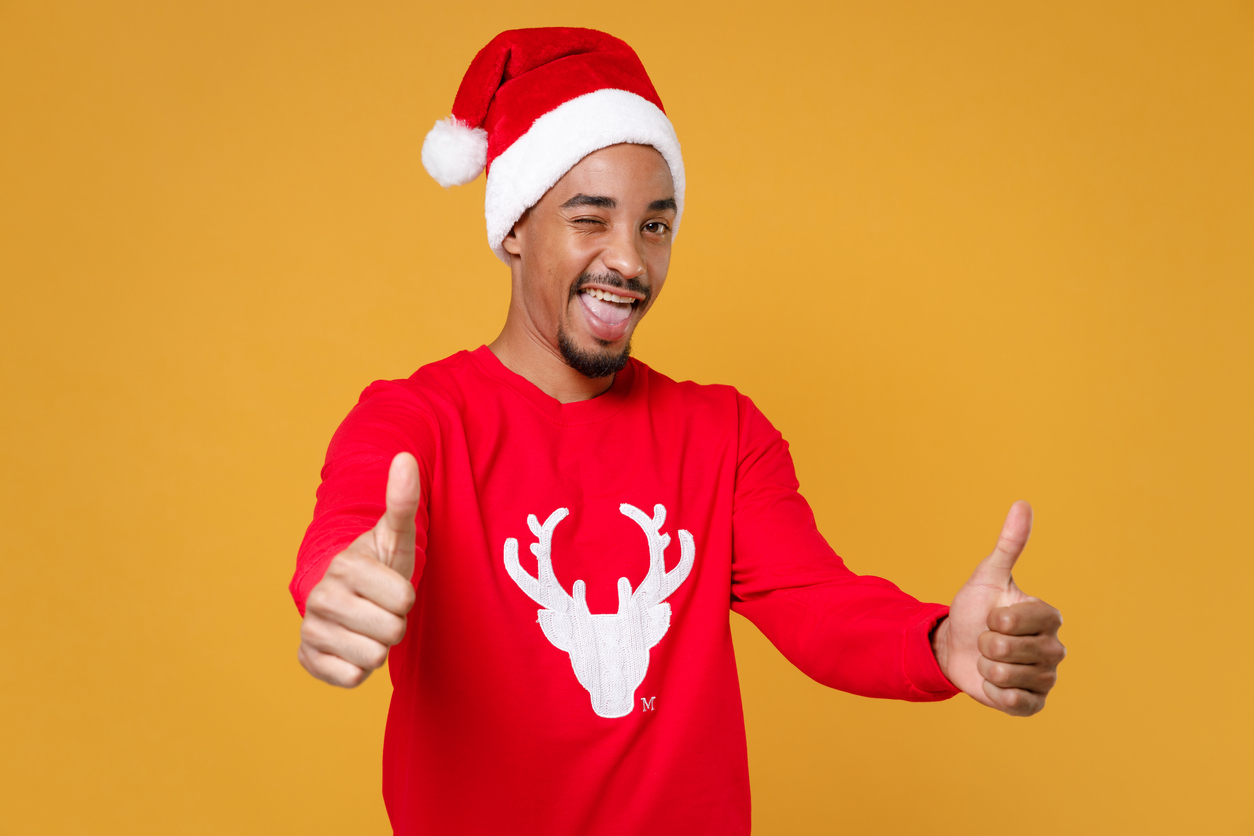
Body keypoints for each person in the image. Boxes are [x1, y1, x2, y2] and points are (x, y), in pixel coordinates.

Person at [289, 27, 1065, 836]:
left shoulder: (723, 434)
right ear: (515, 227)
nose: (629, 261)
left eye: (654, 226)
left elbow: (816, 605)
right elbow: (347, 537)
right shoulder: (414, 420)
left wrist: (938, 643)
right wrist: (338, 591)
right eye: (590, 219)